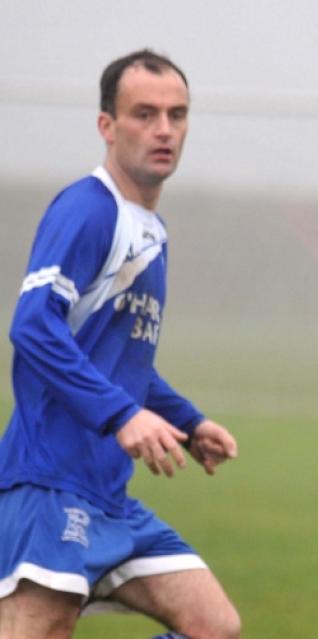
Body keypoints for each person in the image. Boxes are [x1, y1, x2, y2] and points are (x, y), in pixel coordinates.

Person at [0, 49, 241, 639]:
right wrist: (122, 415)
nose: (164, 130)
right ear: (107, 125)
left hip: (108, 493)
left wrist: (185, 420)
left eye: (177, 115)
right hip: (50, 484)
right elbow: (34, 325)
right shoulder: (88, 209)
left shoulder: (151, 231)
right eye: (144, 114)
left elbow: (120, 358)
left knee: (214, 626)